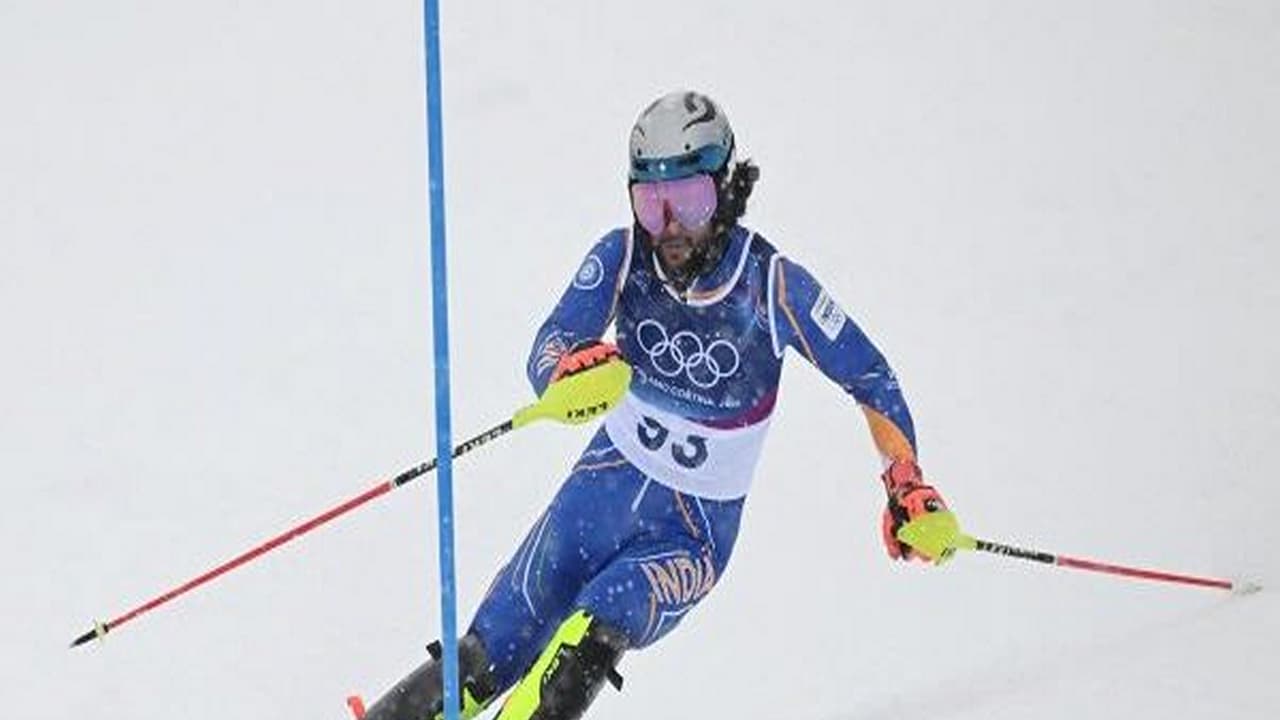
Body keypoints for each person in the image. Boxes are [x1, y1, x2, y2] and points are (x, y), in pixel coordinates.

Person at [364, 90, 957, 720]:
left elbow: (871, 377)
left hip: (689, 530)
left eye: (689, 201)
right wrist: (563, 372)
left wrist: (904, 481)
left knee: (589, 637)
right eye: (651, 203)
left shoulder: (772, 285)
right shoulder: (622, 257)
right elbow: (552, 343)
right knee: (489, 649)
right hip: (599, 490)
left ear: (726, 190)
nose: (669, 225)